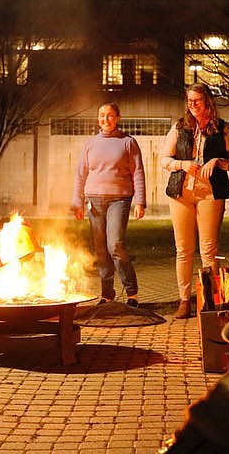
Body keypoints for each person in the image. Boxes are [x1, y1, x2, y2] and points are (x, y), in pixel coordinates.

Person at [160, 83, 229, 319]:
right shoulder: (179, 127)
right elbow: (165, 159)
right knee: (183, 249)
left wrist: (217, 161)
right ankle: (184, 300)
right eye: (189, 101)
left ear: (208, 101)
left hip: (210, 193)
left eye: (197, 100)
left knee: (209, 249)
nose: (193, 105)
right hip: (181, 193)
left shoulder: (223, 129)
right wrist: (182, 164)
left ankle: (209, 300)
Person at [71, 102, 147, 307]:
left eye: (111, 115)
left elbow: (138, 172)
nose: (106, 119)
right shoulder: (89, 144)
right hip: (93, 200)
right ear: (98, 119)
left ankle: (132, 294)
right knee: (100, 248)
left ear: (118, 118)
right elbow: (81, 173)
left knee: (115, 244)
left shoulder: (128, 142)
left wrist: (140, 201)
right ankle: (107, 294)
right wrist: (76, 202)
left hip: (119, 199)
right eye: (102, 115)